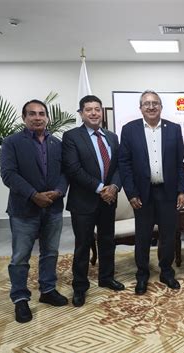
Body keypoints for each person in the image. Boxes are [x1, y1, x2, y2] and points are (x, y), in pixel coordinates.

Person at [0, 99, 68, 323]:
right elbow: (8, 174)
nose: (37, 117)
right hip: (24, 209)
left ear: (47, 117)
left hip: (53, 207)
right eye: (32, 114)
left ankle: (47, 290)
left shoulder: (57, 144)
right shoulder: (12, 142)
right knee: (20, 256)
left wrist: (58, 191)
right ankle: (20, 299)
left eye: (41, 113)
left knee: (50, 252)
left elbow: (65, 173)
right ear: (24, 118)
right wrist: (33, 195)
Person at [118, 90, 184, 295]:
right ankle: (142, 274)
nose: (151, 107)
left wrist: (182, 190)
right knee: (143, 236)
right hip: (142, 194)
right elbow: (125, 163)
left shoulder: (173, 129)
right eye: (146, 103)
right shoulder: (129, 130)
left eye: (155, 103)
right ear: (140, 108)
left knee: (168, 236)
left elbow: (180, 163)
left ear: (161, 107)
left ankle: (167, 272)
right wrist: (131, 193)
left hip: (167, 193)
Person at [62, 95, 125, 308]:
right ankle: (80, 286)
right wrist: (101, 189)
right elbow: (73, 169)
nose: (94, 113)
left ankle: (106, 277)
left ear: (101, 112)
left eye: (97, 109)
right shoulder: (71, 137)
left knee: (107, 240)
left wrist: (114, 187)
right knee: (83, 246)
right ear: (81, 113)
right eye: (88, 109)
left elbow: (119, 167)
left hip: (109, 200)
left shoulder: (112, 137)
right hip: (83, 202)